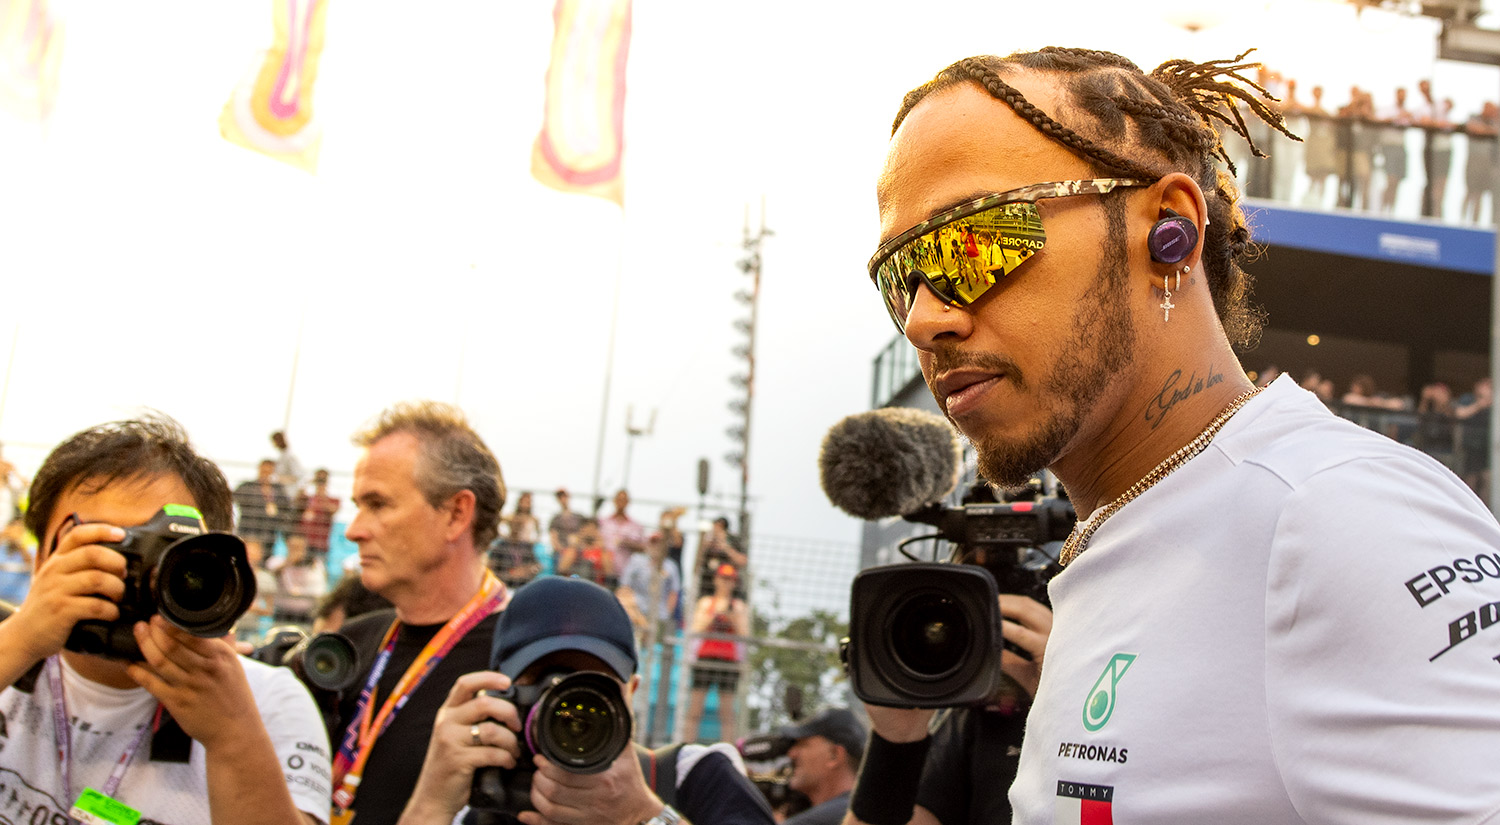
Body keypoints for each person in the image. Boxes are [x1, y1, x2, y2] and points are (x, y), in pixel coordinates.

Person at [856, 47, 1500, 825]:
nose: (924, 318)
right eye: (901, 276)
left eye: (970, 243)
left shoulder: (1336, 514)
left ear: (1170, 229)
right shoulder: (1124, 539)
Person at [0, 415, 329, 824]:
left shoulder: (267, 702)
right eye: (105, 546)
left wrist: (232, 738)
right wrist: (17, 643)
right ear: (41, 561)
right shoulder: (9, 651)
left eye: (164, 551)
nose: (131, 576)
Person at [395, 576, 776, 825]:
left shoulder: (693, 779)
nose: (570, 709)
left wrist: (641, 815)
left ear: (630, 693)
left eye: (595, 686)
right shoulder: (486, 807)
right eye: (542, 683)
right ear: (499, 694)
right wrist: (431, 803)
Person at [330, 400, 509, 825]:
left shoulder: (518, 664)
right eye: (358, 505)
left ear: (456, 514)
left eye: (377, 504)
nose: (354, 530)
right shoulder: (347, 645)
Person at [685, 563, 748, 743]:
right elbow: (696, 629)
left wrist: (732, 617)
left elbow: (744, 634)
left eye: (730, 579)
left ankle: (728, 748)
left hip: (728, 660)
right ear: (716, 580)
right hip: (706, 657)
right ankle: (687, 746)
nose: (726, 583)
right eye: (723, 578)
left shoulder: (738, 606)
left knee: (727, 712)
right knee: (695, 709)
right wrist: (713, 614)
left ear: (734, 583)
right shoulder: (706, 603)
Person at [780, 708, 866, 825]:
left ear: (834, 755)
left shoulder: (846, 812)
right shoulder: (866, 809)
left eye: (803, 744)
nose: (792, 754)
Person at [234, 457, 291, 559]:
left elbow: (286, 506)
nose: (266, 474)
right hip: (248, 531)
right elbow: (235, 498)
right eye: (264, 471)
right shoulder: (247, 486)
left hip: (269, 533)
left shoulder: (278, 489)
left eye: (269, 472)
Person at [599, 488, 647, 576]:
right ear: (614, 501)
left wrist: (626, 543)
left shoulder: (636, 526)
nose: (621, 502)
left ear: (628, 502)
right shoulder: (603, 522)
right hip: (601, 571)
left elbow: (643, 547)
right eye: (619, 499)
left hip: (625, 571)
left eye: (624, 500)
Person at [296, 467, 341, 559]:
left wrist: (322, 493)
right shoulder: (308, 498)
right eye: (319, 478)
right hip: (304, 542)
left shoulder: (333, 499)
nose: (320, 481)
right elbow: (297, 500)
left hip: (321, 543)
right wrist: (307, 483)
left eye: (323, 479)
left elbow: (333, 510)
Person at [547, 487, 583, 554]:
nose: (563, 499)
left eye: (564, 496)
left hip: (578, 550)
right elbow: (553, 538)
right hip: (562, 552)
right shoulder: (555, 519)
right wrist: (561, 550)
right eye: (560, 497)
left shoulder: (579, 517)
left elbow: (585, 533)